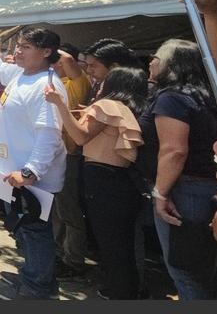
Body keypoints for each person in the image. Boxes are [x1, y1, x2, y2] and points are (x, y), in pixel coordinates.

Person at [0, 25, 68, 300]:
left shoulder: (47, 86)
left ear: (46, 52)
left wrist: (30, 172)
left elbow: (49, 133)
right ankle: (34, 275)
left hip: (29, 178)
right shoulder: (20, 75)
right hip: (9, 171)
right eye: (18, 45)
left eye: (26, 47)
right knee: (21, 228)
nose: (18, 51)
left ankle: (37, 288)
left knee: (35, 230)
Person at [45, 67, 149, 299]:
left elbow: (80, 136)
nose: (97, 83)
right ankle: (126, 290)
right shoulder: (128, 107)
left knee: (111, 243)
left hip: (102, 178)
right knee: (121, 242)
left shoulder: (106, 106)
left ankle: (120, 293)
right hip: (122, 179)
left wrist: (60, 104)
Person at [137, 39, 217, 299]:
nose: (151, 61)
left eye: (157, 56)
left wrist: (160, 194)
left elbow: (174, 151)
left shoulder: (172, 98)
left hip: (185, 190)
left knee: (185, 270)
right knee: (203, 267)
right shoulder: (208, 95)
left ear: (173, 64)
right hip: (206, 186)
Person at [46, 43, 94, 280]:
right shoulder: (55, 83)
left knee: (69, 211)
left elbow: (68, 61)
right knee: (57, 210)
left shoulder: (79, 81)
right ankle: (58, 253)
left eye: (56, 58)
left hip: (71, 154)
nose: (53, 63)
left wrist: (49, 49)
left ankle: (74, 260)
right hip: (55, 153)